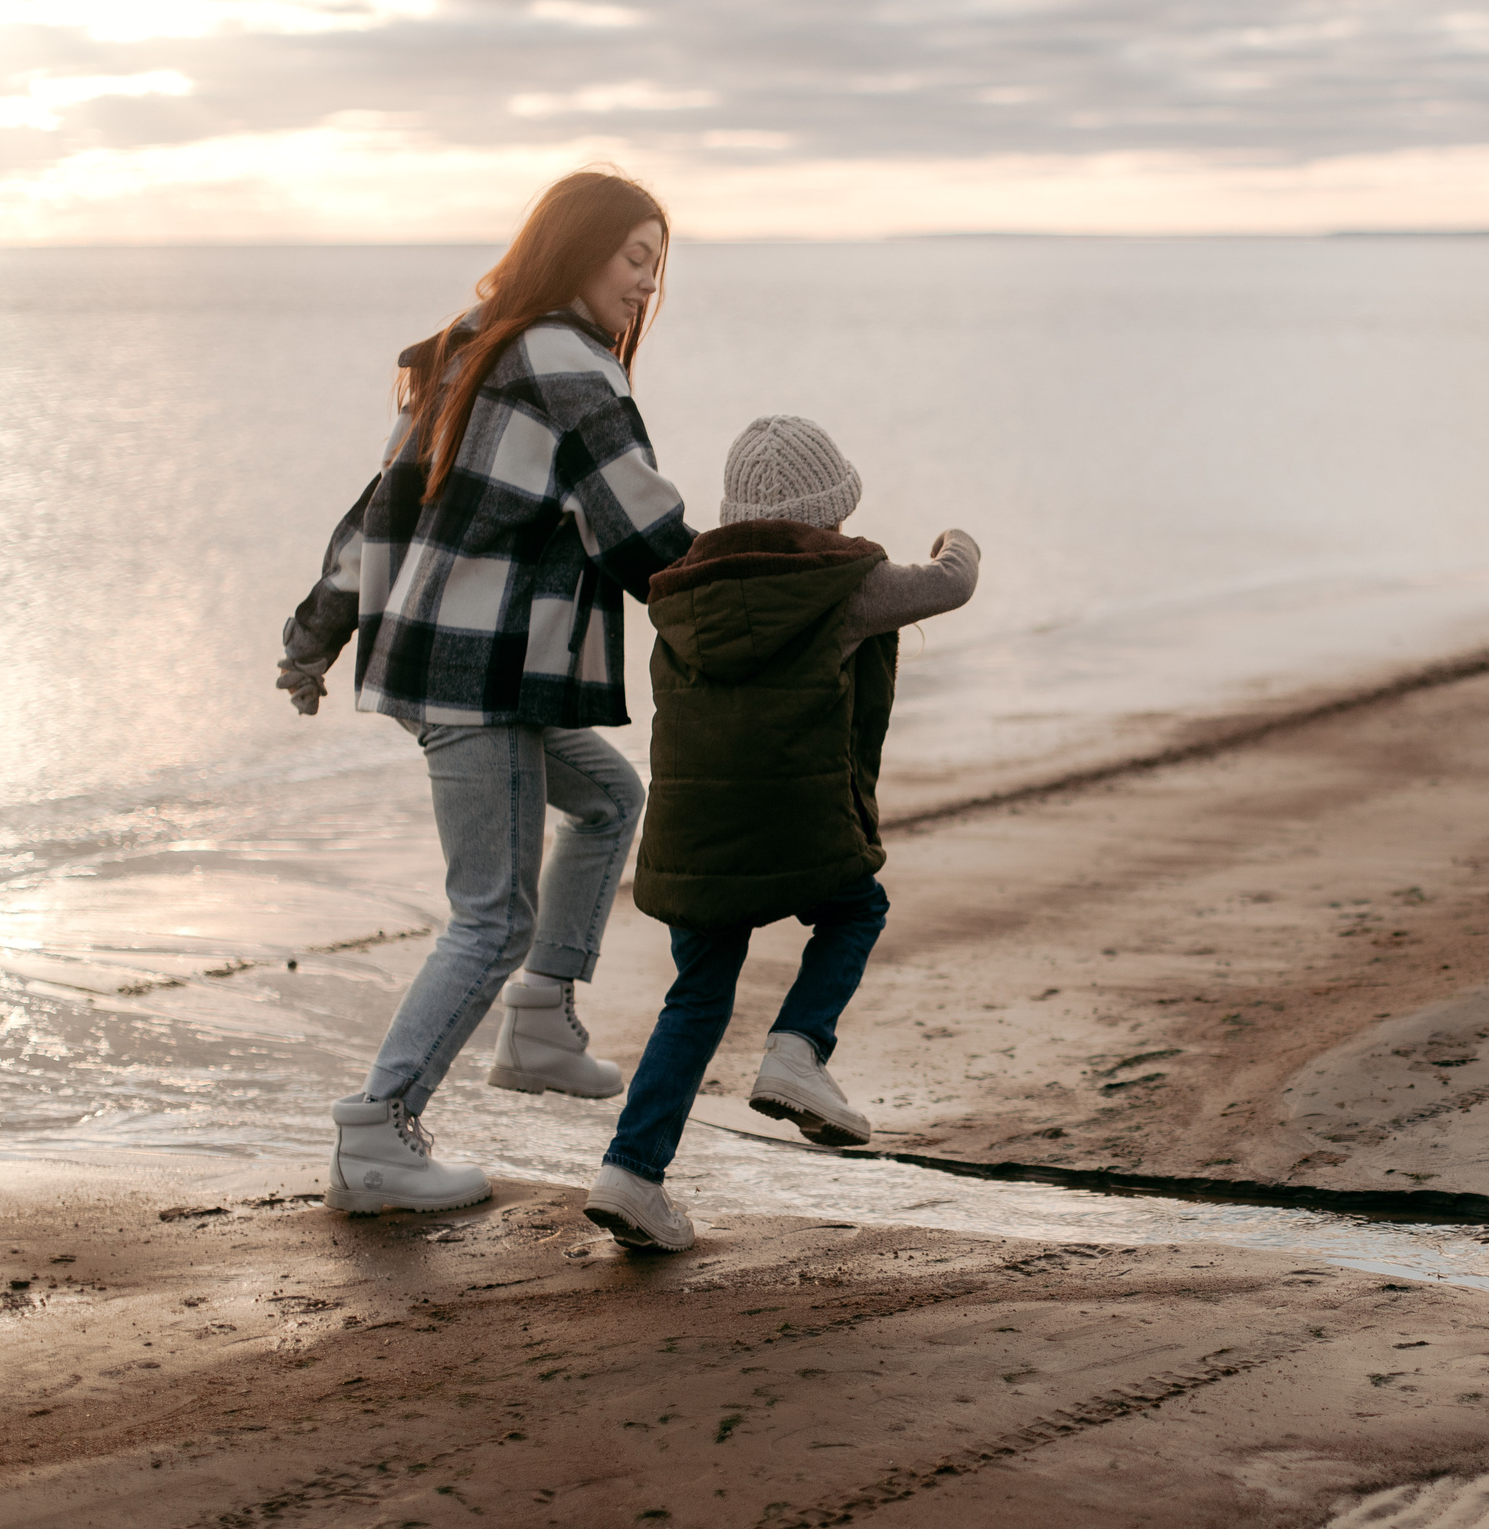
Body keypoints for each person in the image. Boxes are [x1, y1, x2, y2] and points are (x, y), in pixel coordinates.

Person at [277, 170, 696, 1216]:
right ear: (574, 249)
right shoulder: (565, 359)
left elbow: (378, 515)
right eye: (631, 258)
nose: (646, 285)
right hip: (484, 680)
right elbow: (643, 531)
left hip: (435, 665)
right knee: (490, 916)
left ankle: (541, 1025)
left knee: (607, 800)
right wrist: (753, 610)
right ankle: (379, 1129)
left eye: (658, 265)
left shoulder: (468, 342)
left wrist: (311, 637)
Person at [580, 415, 981, 1251]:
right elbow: (950, 583)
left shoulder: (680, 589)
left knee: (695, 997)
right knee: (855, 907)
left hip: (694, 838)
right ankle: (797, 1049)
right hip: (797, 829)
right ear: (827, 514)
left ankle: (629, 1172)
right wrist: (959, 538)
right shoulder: (845, 584)